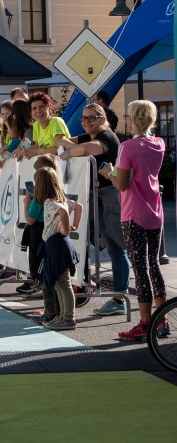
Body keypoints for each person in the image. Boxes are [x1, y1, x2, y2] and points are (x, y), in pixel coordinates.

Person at [100, 100, 168, 342]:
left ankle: (145, 323)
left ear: (135, 119)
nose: (126, 120)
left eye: (128, 116)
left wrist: (109, 173)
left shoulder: (127, 147)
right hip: (154, 210)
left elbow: (122, 183)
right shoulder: (159, 143)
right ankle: (162, 320)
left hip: (133, 212)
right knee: (153, 265)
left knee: (140, 269)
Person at [57, 102, 130, 317]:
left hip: (109, 198)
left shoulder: (106, 137)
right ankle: (87, 284)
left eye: (92, 118)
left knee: (117, 249)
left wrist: (69, 151)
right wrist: (66, 145)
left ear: (103, 118)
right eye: (84, 118)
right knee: (91, 243)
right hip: (94, 199)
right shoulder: (91, 135)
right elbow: (61, 141)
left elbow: (87, 149)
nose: (87, 122)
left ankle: (119, 300)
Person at [26, 165, 82, 331]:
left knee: (63, 283)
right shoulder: (61, 199)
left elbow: (63, 212)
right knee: (59, 283)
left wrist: (66, 230)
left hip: (56, 243)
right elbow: (78, 207)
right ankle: (63, 316)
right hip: (58, 243)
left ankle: (68, 318)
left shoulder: (49, 202)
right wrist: (74, 225)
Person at [24, 92, 69, 157]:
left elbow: (61, 148)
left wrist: (38, 151)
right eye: (34, 108)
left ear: (49, 108)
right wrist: (23, 150)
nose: (38, 111)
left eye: (41, 107)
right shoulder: (36, 125)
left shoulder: (56, 122)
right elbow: (36, 147)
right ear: (30, 113)